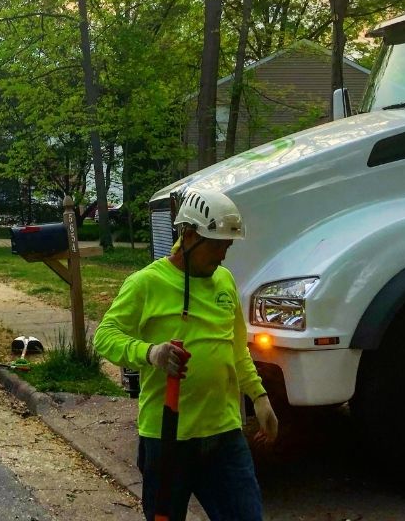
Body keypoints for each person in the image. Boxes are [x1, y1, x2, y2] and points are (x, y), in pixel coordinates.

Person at [93, 185, 278, 521]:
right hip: (167, 437)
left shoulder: (224, 281)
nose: (223, 255)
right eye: (218, 246)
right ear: (190, 236)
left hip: (224, 434)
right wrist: (150, 353)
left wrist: (259, 395)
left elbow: (236, 348)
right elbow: (104, 337)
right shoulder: (146, 283)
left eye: (228, 246)